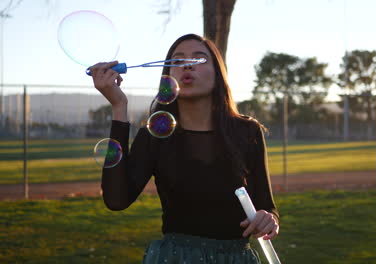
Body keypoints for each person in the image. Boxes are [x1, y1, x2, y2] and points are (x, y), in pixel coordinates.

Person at [89, 33, 279, 264]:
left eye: (199, 59)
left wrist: (269, 219)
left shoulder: (247, 132)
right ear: (168, 76)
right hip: (176, 258)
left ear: (218, 74)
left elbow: (266, 206)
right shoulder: (153, 136)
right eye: (177, 61)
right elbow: (116, 199)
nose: (187, 65)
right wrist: (119, 106)